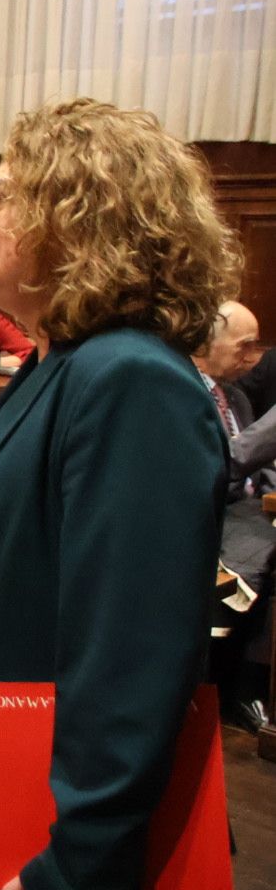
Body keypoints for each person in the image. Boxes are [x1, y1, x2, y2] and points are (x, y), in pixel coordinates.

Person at [0, 98, 239, 890]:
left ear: (79, 219)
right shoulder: (65, 362)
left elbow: (134, 654)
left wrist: (75, 865)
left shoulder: (130, 381)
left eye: (3, 197)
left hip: (49, 866)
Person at [189, 301, 272, 733]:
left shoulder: (236, 394)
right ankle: (238, 688)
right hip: (207, 517)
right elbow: (216, 465)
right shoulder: (184, 392)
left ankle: (249, 686)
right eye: (244, 346)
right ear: (208, 340)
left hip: (250, 513)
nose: (252, 358)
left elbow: (259, 468)